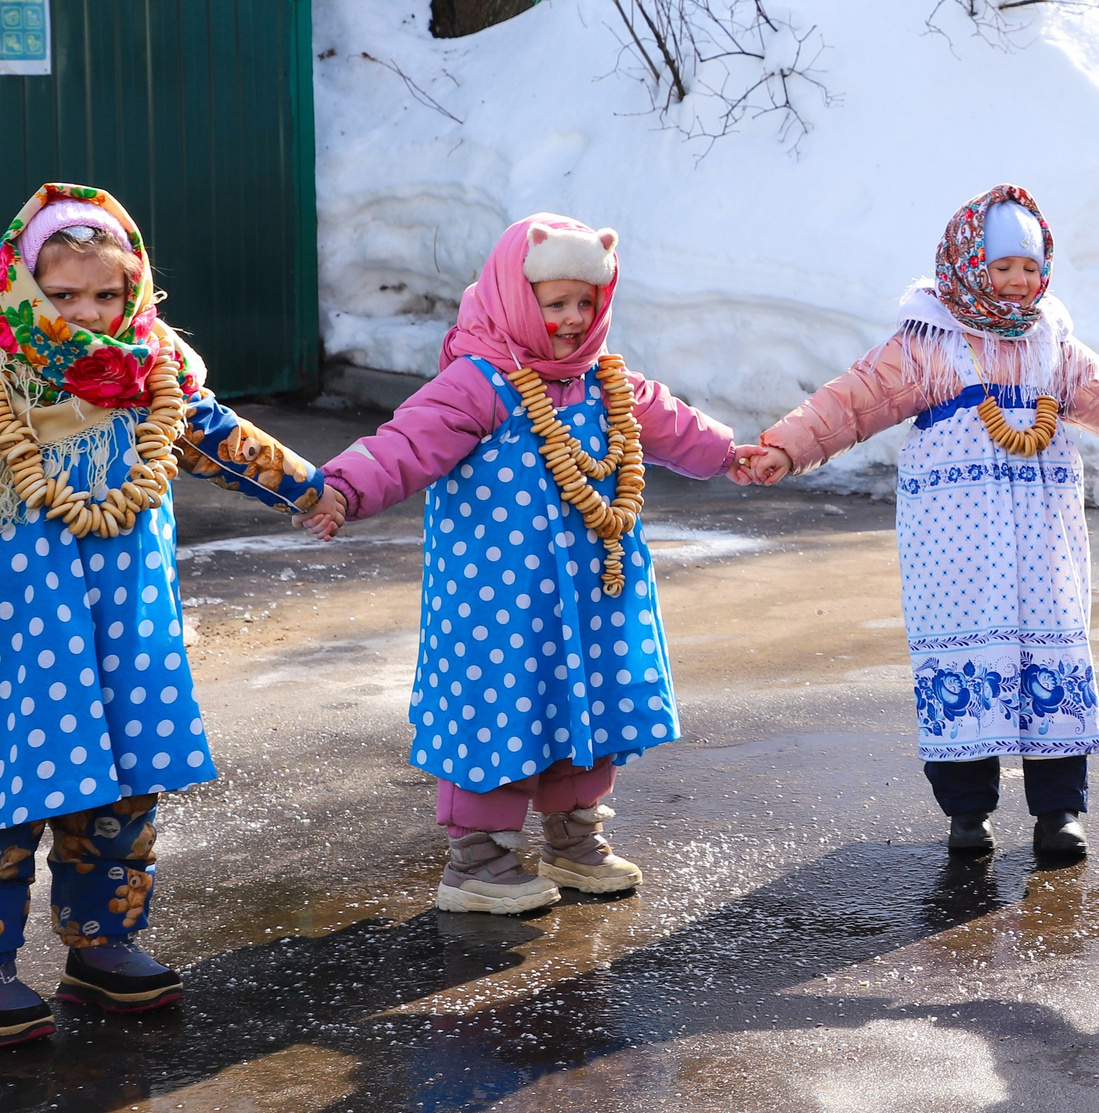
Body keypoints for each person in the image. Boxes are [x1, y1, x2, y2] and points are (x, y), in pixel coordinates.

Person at [731, 186, 1099, 860]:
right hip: (956, 543)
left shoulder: (1051, 344)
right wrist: (787, 445)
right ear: (969, 263)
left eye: (1029, 268)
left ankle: (1059, 810)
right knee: (962, 658)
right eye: (1003, 267)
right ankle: (967, 812)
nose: (1018, 281)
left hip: (1041, 539)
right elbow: (852, 401)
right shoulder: (926, 342)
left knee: (1051, 654)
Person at [302, 214, 735, 915]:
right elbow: (404, 441)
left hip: (593, 589)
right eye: (554, 302)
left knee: (586, 705)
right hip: (500, 599)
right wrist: (344, 487)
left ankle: (574, 837)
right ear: (513, 291)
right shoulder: (480, 380)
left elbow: (673, 423)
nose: (570, 320)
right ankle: (478, 858)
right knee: (501, 709)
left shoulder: (605, 383)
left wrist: (732, 455)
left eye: (584, 304)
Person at [0, 184, 330, 1040]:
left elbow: (218, 437)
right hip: (20, 629)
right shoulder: (5, 365)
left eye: (107, 293)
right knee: (12, 786)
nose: (88, 312)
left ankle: (103, 944)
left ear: (135, 287)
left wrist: (310, 490)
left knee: (122, 780)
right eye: (63, 294)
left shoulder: (154, 368)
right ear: (25, 287)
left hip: (123, 622)